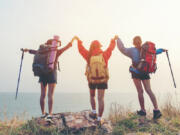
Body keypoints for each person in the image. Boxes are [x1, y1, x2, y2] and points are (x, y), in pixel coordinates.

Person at [23, 37, 73, 120]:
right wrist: (72, 41)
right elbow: (65, 48)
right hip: (52, 74)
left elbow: (34, 52)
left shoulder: (42, 51)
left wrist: (27, 50)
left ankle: (43, 113)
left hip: (42, 73)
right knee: (50, 95)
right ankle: (50, 114)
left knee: (42, 94)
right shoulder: (55, 52)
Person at [117, 36, 166, 119]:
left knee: (140, 91)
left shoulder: (132, 50)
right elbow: (155, 52)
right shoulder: (146, 49)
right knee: (149, 90)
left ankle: (143, 111)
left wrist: (118, 39)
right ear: (141, 41)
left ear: (133, 42)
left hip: (136, 72)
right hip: (145, 72)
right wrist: (162, 50)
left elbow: (122, 49)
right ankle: (156, 110)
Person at [73, 36, 118, 124]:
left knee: (92, 96)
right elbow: (111, 48)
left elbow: (81, 50)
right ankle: (99, 119)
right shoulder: (104, 55)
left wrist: (79, 41)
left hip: (92, 80)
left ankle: (94, 112)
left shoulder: (88, 55)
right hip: (102, 80)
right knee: (100, 99)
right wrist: (113, 40)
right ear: (99, 47)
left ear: (91, 46)